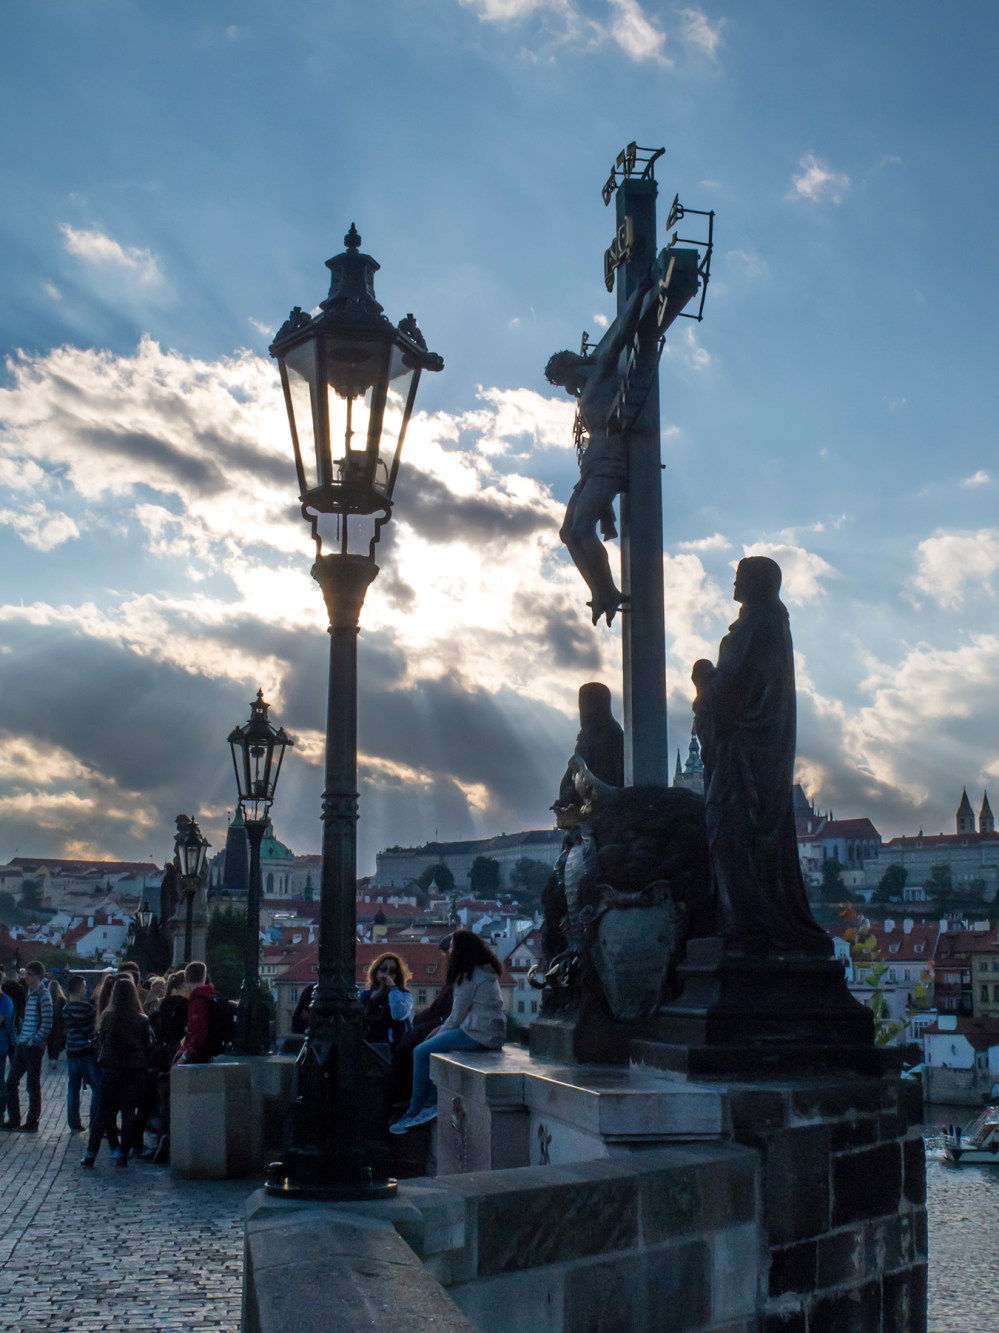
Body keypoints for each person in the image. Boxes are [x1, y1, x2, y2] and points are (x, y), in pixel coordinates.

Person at [692, 556, 832, 958]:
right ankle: (738, 919)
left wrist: (704, 681)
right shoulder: (765, 625)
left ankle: (744, 923)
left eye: (740, 578)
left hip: (747, 756)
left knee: (729, 832)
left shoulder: (759, 627)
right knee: (730, 834)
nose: (733, 583)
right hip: (748, 751)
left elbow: (734, 688)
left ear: (758, 584)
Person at [544, 269, 654, 626]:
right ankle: (601, 591)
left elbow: (622, 333)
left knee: (579, 530)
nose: (567, 389)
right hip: (593, 464)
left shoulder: (603, 371)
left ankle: (607, 590)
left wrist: (640, 292)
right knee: (566, 532)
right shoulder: (586, 392)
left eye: (566, 380)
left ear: (575, 367)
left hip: (609, 460)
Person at [390, 931, 505, 1134]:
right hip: (491, 1032)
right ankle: (427, 1102)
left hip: (477, 1033)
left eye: (452, 947)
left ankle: (418, 1110)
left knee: (421, 1051)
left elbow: (456, 1016)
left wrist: (437, 1034)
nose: (450, 951)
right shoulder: (485, 971)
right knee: (434, 1046)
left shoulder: (467, 976)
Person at [82, 975, 154, 1168]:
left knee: (104, 1114)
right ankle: (123, 1152)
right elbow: (148, 1045)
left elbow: (100, 1042)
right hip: (133, 1070)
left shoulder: (107, 1017)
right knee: (129, 1113)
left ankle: (92, 1154)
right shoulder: (142, 1019)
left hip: (110, 1069)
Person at [2, 960, 53, 1131]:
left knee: (32, 1085)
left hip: (33, 1047)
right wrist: (21, 1038)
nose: (26, 978)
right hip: (23, 1044)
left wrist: (34, 1040)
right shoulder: (30, 993)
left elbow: (47, 1023)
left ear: (38, 976)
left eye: (30, 975)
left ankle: (32, 1122)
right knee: (11, 1082)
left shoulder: (43, 995)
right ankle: (14, 1119)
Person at [63, 974, 101, 1134]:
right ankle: (95, 1121)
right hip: (86, 1050)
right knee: (96, 1087)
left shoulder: (65, 1009)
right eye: (84, 986)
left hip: (71, 1050)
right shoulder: (88, 1008)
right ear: (79, 988)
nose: (86, 989)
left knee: (73, 1088)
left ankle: (73, 1122)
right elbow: (92, 1029)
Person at [360, 954, 413, 1049]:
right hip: (368, 1044)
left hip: (392, 1046)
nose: (387, 973)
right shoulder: (366, 995)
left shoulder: (403, 994)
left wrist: (393, 988)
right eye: (383, 968)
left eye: (392, 971)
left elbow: (399, 1014)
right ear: (376, 970)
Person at [174, 962, 216, 1065]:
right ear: (204, 977)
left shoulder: (197, 1000)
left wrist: (184, 1056)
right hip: (210, 1053)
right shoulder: (211, 997)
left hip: (196, 1056)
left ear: (186, 978)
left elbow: (199, 1032)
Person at [46, 977, 67, 1068]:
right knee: (57, 1042)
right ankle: (54, 1058)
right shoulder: (62, 1000)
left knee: (49, 1043)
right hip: (59, 1025)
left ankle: (51, 1059)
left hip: (48, 1024)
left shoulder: (47, 999)